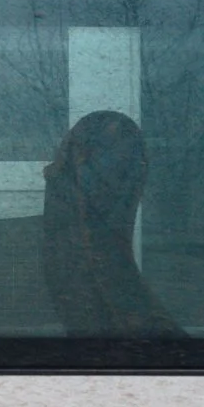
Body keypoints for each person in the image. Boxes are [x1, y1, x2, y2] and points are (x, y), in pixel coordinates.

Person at [41, 109, 180, 337]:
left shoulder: (109, 254)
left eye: (130, 170)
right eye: (101, 170)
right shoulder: (78, 256)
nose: (123, 187)